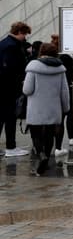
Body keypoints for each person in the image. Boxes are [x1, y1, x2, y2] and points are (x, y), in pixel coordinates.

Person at [23, 43, 70, 175]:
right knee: (50, 135)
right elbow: (64, 92)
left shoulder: (33, 67)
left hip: (36, 108)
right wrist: (66, 108)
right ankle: (47, 160)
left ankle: (41, 154)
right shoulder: (61, 69)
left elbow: (27, 90)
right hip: (53, 108)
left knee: (35, 134)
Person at [0, 21, 32, 157]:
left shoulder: (3, 43)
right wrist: (21, 81)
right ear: (19, 32)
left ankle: (10, 147)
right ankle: (11, 147)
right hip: (9, 88)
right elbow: (11, 68)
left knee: (1, 117)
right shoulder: (12, 46)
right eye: (24, 34)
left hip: (3, 87)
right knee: (10, 118)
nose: (25, 37)